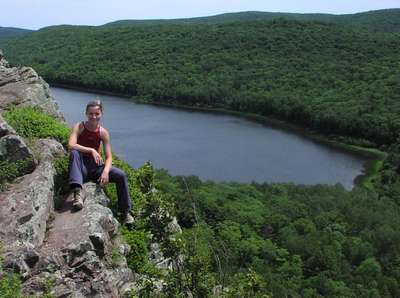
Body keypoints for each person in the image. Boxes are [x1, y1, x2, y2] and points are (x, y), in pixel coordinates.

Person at [67, 99, 134, 225]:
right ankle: (78, 193)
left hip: (96, 167)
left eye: (96, 114)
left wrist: (106, 172)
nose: (93, 116)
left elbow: (109, 157)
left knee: (121, 175)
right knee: (75, 153)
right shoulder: (80, 126)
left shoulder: (103, 133)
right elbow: (71, 145)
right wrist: (91, 149)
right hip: (81, 166)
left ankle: (125, 212)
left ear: (101, 114)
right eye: (91, 113)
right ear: (86, 113)